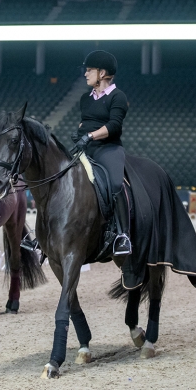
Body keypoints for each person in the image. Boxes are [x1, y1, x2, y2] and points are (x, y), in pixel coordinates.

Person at [71, 50, 131, 258]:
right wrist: (79, 132)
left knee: (115, 184)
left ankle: (122, 234)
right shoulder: (85, 99)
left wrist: (90, 136)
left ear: (102, 73)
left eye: (89, 70)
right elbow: (85, 121)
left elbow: (114, 126)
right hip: (85, 147)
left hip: (108, 148)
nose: (85, 74)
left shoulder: (118, 96)